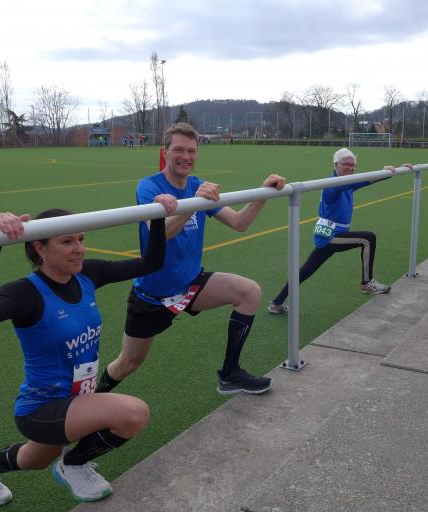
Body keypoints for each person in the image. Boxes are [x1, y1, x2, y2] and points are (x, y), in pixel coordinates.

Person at [0, 195, 177, 506]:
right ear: (40, 248)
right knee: (133, 413)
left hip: (78, 400)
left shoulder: (87, 275)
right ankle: (72, 463)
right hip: (41, 409)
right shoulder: (24, 293)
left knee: (32, 460)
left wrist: (158, 215)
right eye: (67, 241)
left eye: (81, 239)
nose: (80, 248)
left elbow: (151, 263)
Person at [95, 123, 287, 397]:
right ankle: (93, 400)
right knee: (129, 363)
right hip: (153, 295)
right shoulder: (149, 186)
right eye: (178, 150)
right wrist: (193, 205)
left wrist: (262, 193)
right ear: (165, 152)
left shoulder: (197, 185)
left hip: (191, 285)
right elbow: (161, 233)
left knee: (249, 292)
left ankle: (230, 374)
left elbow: (239, 223)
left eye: (191, 151)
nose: (185, 156)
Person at [267, 148, 410, 315]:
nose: (350, 168)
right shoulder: (333, 184)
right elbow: (360, 181)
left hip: (327, 234)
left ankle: (276, 303)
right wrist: (384, 173)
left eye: (353, 165)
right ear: (336, 165)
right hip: (331, 236)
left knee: (305, 271)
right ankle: (367, 283)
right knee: (368, 239)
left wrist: (393, 171)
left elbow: (361, 182)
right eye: (346, 164)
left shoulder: (347, 183)